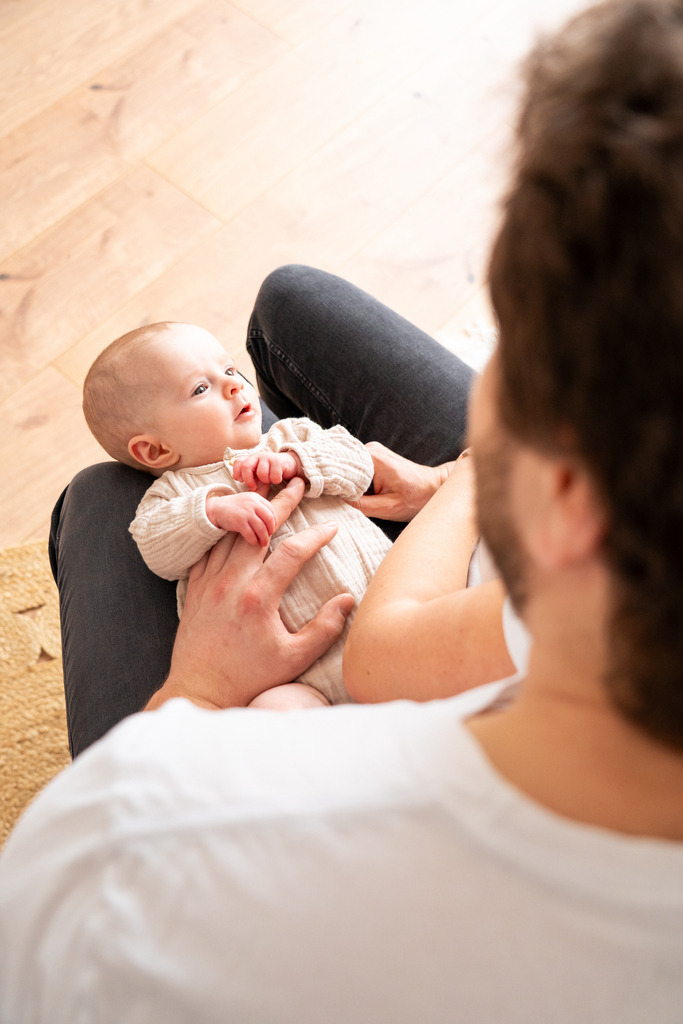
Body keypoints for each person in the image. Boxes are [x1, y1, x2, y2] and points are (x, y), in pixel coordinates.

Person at [2, 1, 683, 1019]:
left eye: (511, 345)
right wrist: (438, 481)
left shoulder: (124, 868)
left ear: (563, 493)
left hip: (316, 661)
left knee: (98, 505)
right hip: (413, 568)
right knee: (291, 299)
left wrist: (194, 687)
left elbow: (373, 653)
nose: (237, 394)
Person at [82, 320, 394, 709]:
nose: (234, 385)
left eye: (230, 370)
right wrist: (211, 511)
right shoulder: (175, 493)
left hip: (396, 603)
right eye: (200, 388)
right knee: (271, 711)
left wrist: (296, 461)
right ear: (156, 451)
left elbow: (360, 466)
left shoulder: (289, 436)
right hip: (304, 677)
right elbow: (154, 547)